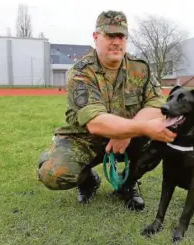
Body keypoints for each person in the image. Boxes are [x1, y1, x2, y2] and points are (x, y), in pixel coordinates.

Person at [37, 10, 176, 211]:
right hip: (85, 138)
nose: (116, 41)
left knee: (163, 138)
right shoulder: (81, 72)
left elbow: (156, 105)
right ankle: (88, 180)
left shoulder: (141, 69)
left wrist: (127, 133)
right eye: (110, 35)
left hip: (130, 139)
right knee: (53, 174)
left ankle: (128, 184)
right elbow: (95, 122)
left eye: (121, 36)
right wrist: (136, 128)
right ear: (96, 37)